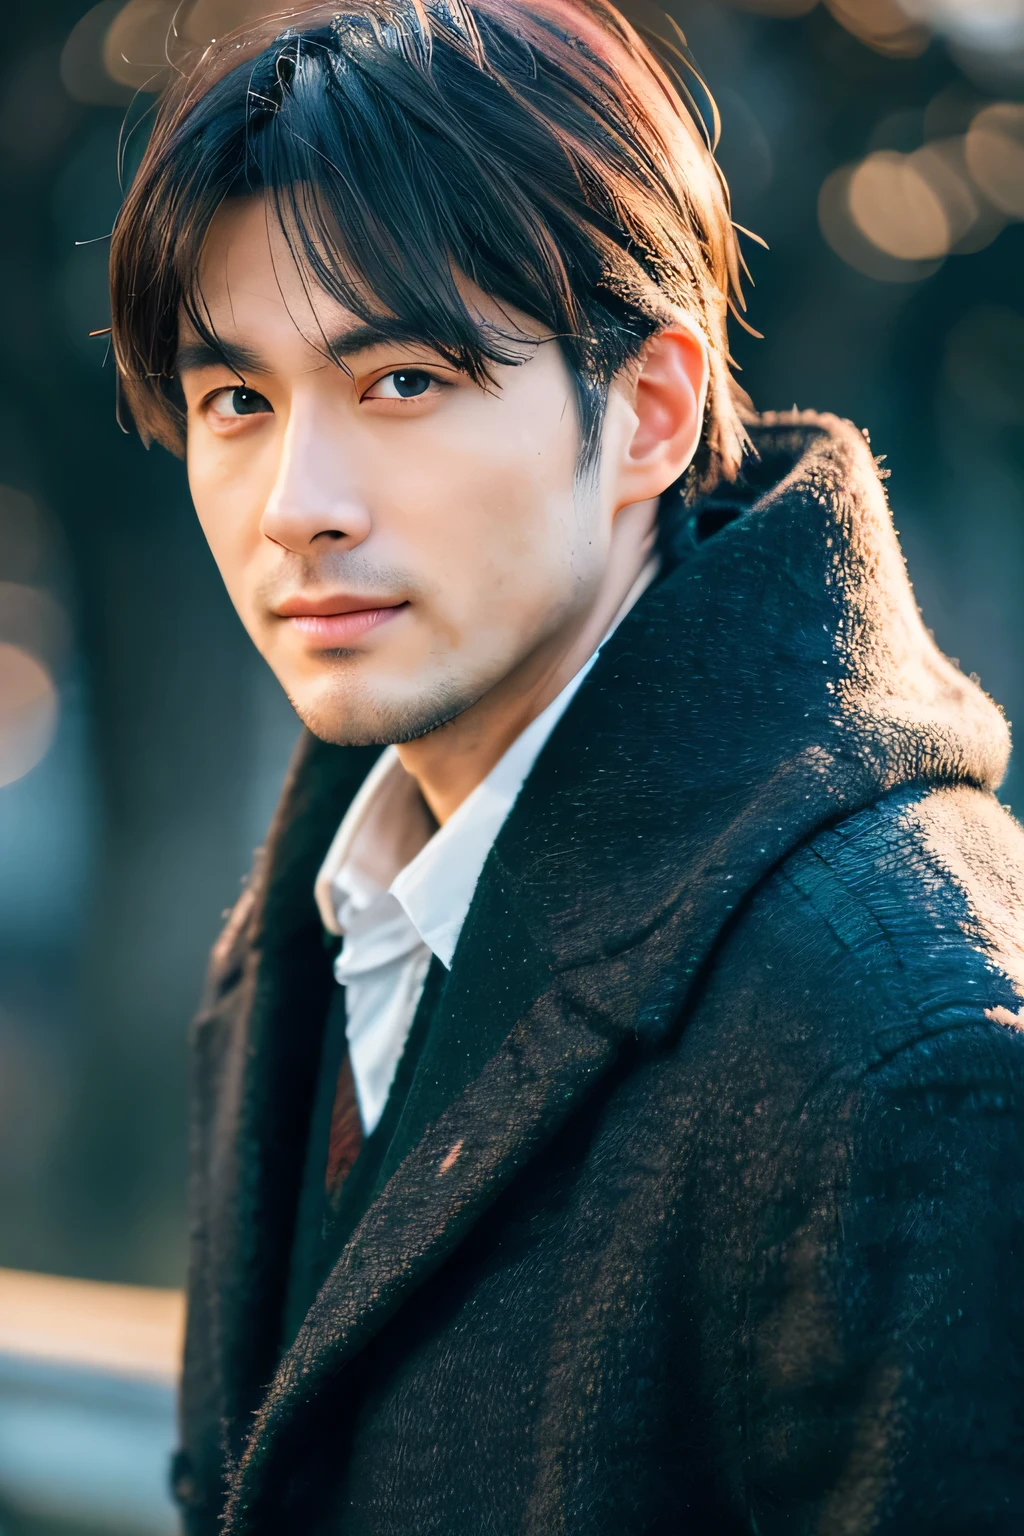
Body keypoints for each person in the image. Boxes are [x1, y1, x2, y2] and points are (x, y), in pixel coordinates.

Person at [108, 1, 1024, 1531]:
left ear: (652, 412)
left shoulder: (905, 1038)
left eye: (402, 379)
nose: (295, 504)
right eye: (237, 401)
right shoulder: (328, 919)